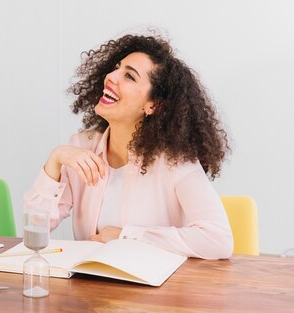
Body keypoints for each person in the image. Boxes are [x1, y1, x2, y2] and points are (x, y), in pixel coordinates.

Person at [25, 29, 234, 259]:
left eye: (129, 76)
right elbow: (35, 231)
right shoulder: (81, 147)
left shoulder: (175, 162)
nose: (111, 77)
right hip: (89, 288)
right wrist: (55, 160)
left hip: (154, 291)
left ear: (153, 106)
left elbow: (218, 240)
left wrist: (126, 236)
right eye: (117, 68)